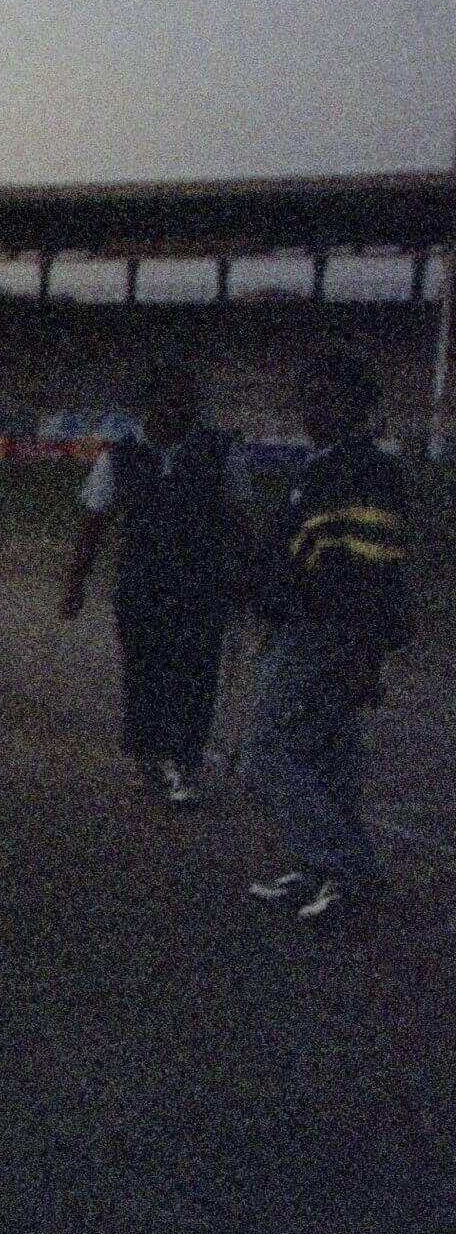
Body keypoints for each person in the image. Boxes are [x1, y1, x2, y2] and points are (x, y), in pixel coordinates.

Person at [239, 348, 415, 921]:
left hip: (328, 633)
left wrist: (366, 655)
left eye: (327, 394)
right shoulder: (324, 463)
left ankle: (343, 867)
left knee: (266, 749)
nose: (312, 406)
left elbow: (370, 571)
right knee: (326, 753)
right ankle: (324, 870)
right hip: (307, 625)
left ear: (357, 404)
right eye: (308, 393)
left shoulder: (359, 470)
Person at [58, 359, 252, 805]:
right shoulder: (119, 457)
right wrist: (75, 584)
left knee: (197, 674)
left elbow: (241, 522)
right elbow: (94, 524)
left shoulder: (220, 451)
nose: (178, 404)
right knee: (145, 673)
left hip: (203, 585)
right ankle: (150, 757)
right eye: (168, 395)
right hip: (141, 586)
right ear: (149, 402)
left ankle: (184, 761)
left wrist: (249, 576)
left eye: (186, 395)